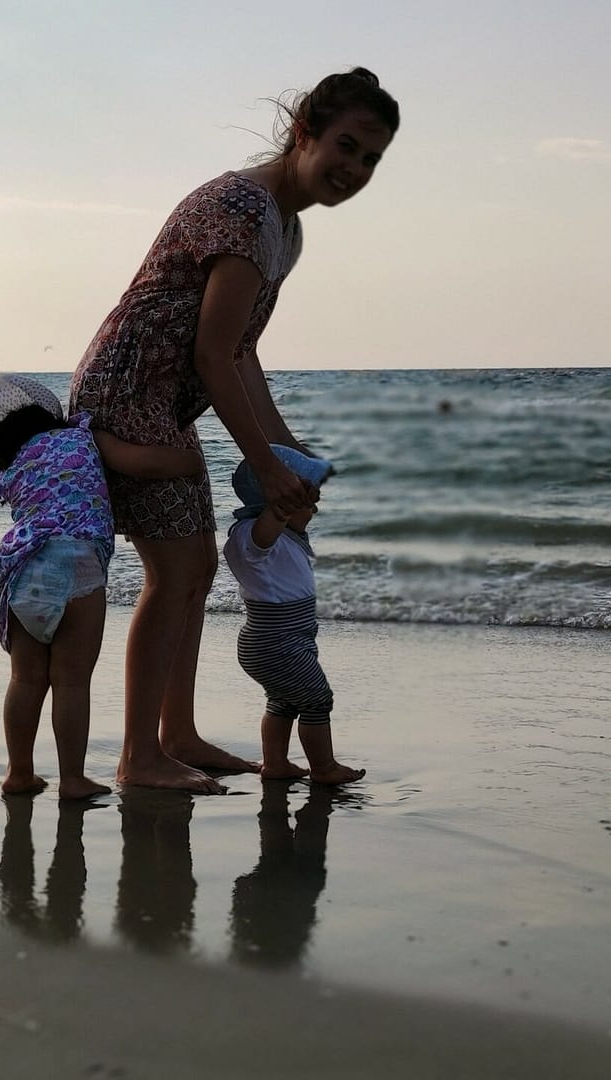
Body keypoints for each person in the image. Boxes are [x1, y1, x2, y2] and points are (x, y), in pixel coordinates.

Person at [70, 68, 399, 792]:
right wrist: (267, 465)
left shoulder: (287, 227)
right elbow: (210, 355)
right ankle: (138, 757)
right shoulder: (245, 210)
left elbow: (243, 350)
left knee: (196, 570)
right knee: (177, 570)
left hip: (166, 400)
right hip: (127, 393)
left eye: (372, 159)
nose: (355, 168)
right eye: (345, 146)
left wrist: (289, 454)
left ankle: (176, 732)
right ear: (304, 131)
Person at [0, 374, 203, 799]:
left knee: (25, 679)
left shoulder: (8, 467)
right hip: (79, 566)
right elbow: (137, 462)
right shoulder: (83, 436)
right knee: (71, 682)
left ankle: (19, 774)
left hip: (25, 571)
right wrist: (186, 462)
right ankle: (72, 780)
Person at [223, 446, 365, 785]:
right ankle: (324, 767)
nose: (315, 508)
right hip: (276, 642)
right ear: (279, 503)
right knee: (317, 700)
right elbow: (265, 532)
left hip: (286, 641)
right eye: (308, 502)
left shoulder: (284, 536)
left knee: (284, 701)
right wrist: (282, 505)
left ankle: (275, 764)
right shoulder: (256, 537)